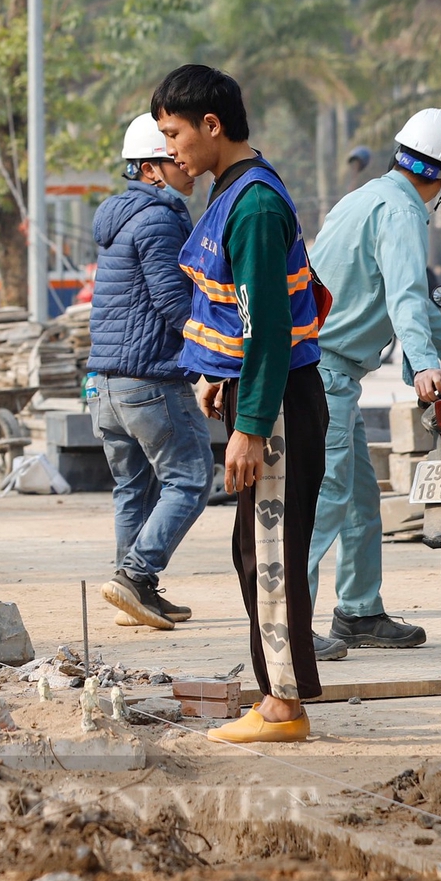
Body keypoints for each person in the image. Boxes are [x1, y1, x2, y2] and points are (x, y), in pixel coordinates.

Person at [153, 64, 329, 746]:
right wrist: (219, 381)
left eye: (174, 134)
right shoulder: (231, 191)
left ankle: (283, 708)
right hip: (258, 394)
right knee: (255, 550)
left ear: (212, 126)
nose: (171, 149)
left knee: (272, 554)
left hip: (278, 403)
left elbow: (267, 330)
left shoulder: (252, 204)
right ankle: (277, 690)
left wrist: (251, 429)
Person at [307, 110, 441, 652]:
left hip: (323, 369)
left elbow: (411, 301)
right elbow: (406, 300)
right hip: (324, 371)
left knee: (360, 499)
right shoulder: (402, 213)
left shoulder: (367, 197)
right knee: (328, 494)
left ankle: (359, 612)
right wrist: (424, 367)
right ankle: (290, 624)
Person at [89, 114, 212, 631]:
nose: (187, 166)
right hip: (150, 380)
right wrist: (211, 359)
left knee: (133, 489)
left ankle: (135, 591)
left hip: (105, 384)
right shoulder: (159, 218)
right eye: (173, 155)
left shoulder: (118, 217)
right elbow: (170, 300)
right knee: (193, 478)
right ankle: (137, 576)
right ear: (151, 168)